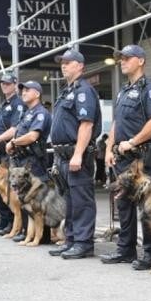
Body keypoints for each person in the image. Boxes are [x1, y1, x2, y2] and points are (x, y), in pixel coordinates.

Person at [99, 44, 151, 270]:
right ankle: (125, 249)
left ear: (140, 61)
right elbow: (117, 123)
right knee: (124, 204)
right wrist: (109, 148)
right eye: (120, 59)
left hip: (143, 158)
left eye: (127, 58)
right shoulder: (123, 91)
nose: (122, 62)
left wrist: (133, 142)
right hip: (123, 158)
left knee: (148, 206)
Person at [48, 49, 101, 259]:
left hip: (76, 153)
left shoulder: (84, 91)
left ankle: (83, 243)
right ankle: (71, 239)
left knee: (81, 200)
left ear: (80, 66)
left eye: (68, 62)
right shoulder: (66, 91)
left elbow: (86, 125)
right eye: (62, 62)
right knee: (70, 200)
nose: (64, 65)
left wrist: (78, 154)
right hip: (63, 154)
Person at [5, 80, 52, 242]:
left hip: (34, 162)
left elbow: (33, 136)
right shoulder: (27, 113)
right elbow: (20, 133)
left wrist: (13, 142)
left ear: (37, 94)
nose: (23, 93)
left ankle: (43, 236)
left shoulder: (40, 113)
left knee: (37, 201)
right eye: (22, 90)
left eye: (27, 90)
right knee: (26, 200)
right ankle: (28, 233)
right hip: (23, 159)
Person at [0, 72, 25, 235]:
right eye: (2, 83)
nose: (4, 85)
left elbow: (14, 129)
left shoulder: (18, 104)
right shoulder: (3, 105)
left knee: (9, 190)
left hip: (11, 154)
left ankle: (12, 223)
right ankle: (3, 221)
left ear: (15, 85)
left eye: (8, 83)